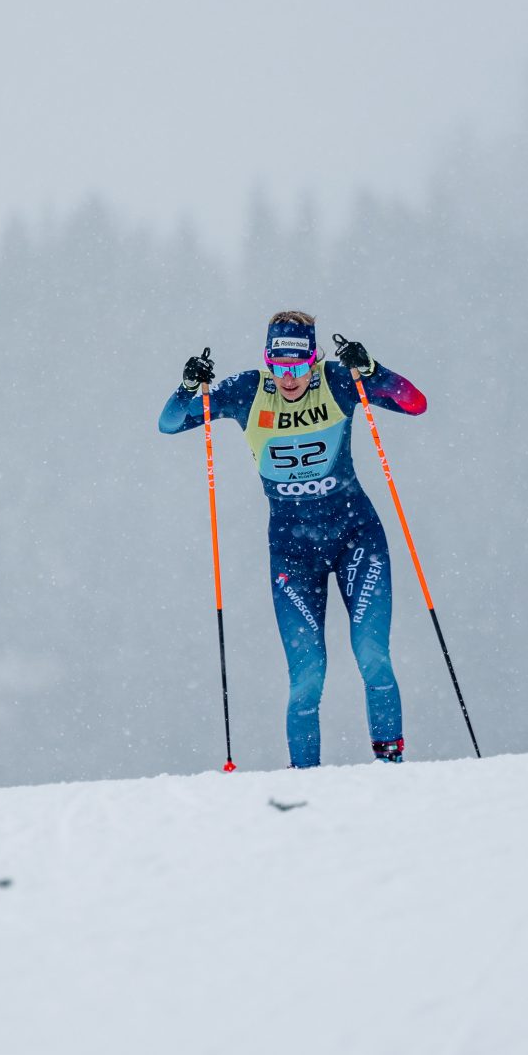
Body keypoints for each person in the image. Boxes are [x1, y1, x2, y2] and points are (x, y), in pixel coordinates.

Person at [159, 311, 428, 768]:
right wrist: (188, 388)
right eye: (279, 367)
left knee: (373, 657)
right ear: (267, 363)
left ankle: (391, 769)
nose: (289, 379)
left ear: (314, 360)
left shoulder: (339, 382)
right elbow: (170, 423)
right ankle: (304, 784)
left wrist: (373, 371)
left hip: (356, 538)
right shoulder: (247, 392)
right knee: (307, 678)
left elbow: (414, 403)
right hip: (292, 554)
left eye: (299, 368)